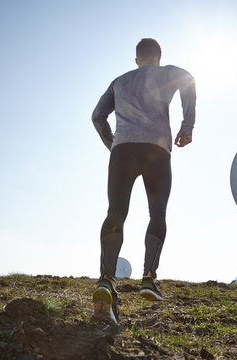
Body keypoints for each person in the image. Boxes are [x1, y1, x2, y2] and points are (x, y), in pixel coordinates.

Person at [91, 38, 196, 323]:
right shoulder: (167, 73)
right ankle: (149, 277)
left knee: (116, 213)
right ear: (159, 58)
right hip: (156, 150)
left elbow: (97, 116)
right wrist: (187, 126)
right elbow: (188, 80)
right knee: (157, 213)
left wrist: (113, 142)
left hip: (123, 150)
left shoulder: (119, 81)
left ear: (136, 60)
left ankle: (106, 280)